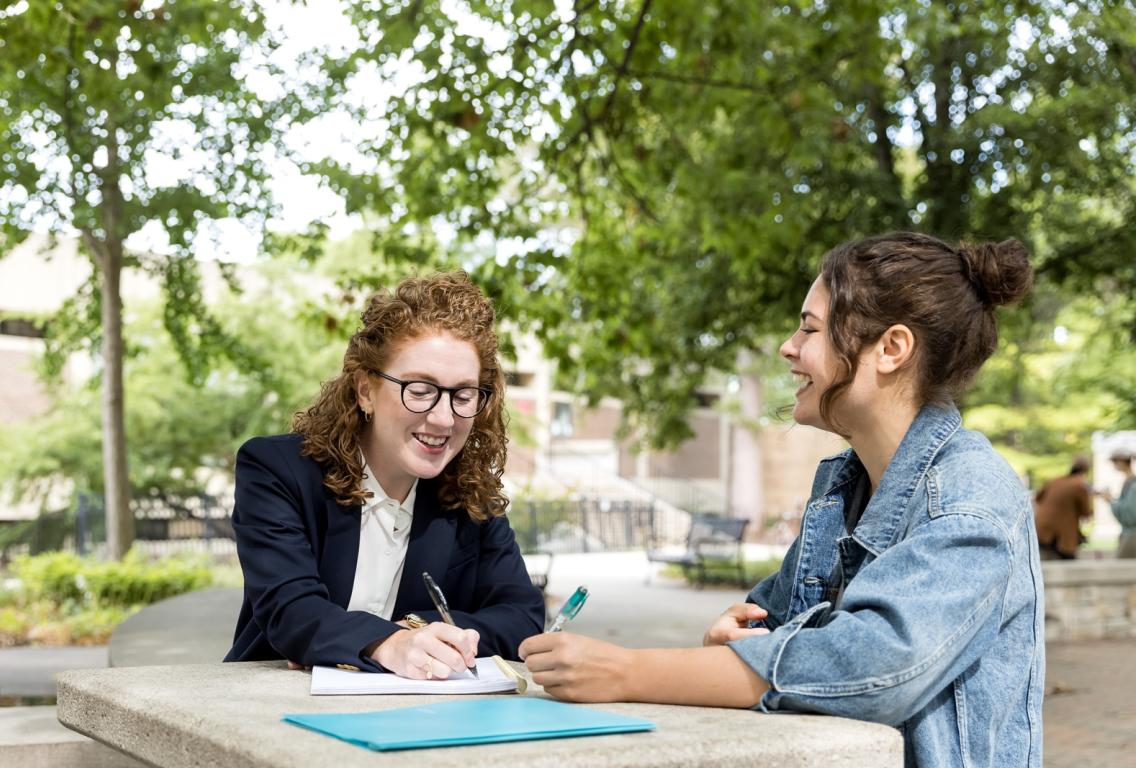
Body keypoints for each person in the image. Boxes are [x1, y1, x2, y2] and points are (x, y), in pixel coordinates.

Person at [519, 232, 1044, 767]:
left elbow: (871, 668)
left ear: (891, 349)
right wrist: (733, 640)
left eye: (809, 328)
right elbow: (762, 631)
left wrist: (626, 672)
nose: (788, 347)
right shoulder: (843, 484)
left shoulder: (970, 499)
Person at [225, 271, 544, 680]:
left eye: (463, 395)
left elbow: (523, 616)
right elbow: (290, 610)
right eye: (420, 389)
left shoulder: (468, 494)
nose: (444, 417)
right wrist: (386, 644)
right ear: (365, 391)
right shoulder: (277, 470)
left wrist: (416, 630)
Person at [1033, 456, 1095, 560]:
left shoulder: (1055, 481)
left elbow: (1038, 498)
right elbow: (1086, 513)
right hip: (1059, 534)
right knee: (1068, 560)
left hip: (1040, 528)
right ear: (1086, 470)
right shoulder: (1080, 485)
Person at [1104, 450, 1136, 558]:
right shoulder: (1129, 482)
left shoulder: (1133, 485)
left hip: (1131, 535)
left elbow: (1129, 515)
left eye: (1115, 461)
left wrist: (1111, 501)